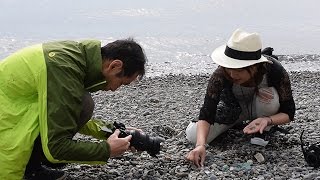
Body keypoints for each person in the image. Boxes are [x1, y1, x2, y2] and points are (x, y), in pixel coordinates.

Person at [0, 38, 147, 179]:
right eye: (121, 83)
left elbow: (65, 112)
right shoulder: (64, 70)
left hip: (15, 103)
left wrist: (111, 131)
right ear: (114, 66)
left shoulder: (78, 59)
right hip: (7, 115)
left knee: (84, 103)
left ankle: (33, 165)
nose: (115, 89)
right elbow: (56, 148)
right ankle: (29, 169)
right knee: (83, 107)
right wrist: (106, 150)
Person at [185, 29, 295, 167]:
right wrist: (200, 145)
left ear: (255, 66)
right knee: (193, 135)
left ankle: (263, 131)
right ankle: (236, 125)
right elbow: (207, 113)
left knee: (270, 97)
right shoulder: (221, 73)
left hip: (263, 110)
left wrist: (268, 120)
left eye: (238, 69)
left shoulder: (274, 70)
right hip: (233, 110)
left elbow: (289, 112)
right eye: (229, 67)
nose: (232, 74)